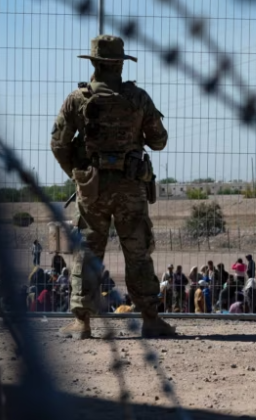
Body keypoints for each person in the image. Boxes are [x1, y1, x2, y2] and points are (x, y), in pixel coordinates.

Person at [51, 35, 175, 339]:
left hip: (92, 188)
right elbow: (159, 141)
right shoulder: (138, 98)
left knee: (88, 251)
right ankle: (150, 318)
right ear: (120, 64)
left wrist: (78, 175)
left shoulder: (77, 99)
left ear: (94, 63)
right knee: (137, 251)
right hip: (131, 187)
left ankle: (82, 322)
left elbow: (58, 143)